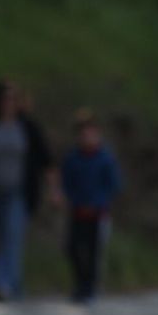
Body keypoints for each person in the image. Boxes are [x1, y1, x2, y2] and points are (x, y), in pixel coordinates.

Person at [0, 80, 54, 301]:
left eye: (13, 99)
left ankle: (1, 283)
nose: (9, 103)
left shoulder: (27, 127)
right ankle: (15, 283)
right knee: (3, 237)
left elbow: (46, 160)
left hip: (18, 191)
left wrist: (54, 189)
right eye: (5, 99)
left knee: (12, 234)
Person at [58, 110, 122, 304]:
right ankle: (80, 285)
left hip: (97, 214)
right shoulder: (73, 159)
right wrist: (69, 198)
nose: (87, 138)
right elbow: (66, 183)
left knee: (94, 253)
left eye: (90, 134)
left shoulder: (105, 158)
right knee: (73, 249)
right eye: (83, 134)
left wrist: (100, 202)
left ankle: (90, 288)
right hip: (78, 212)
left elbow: (114, 185)